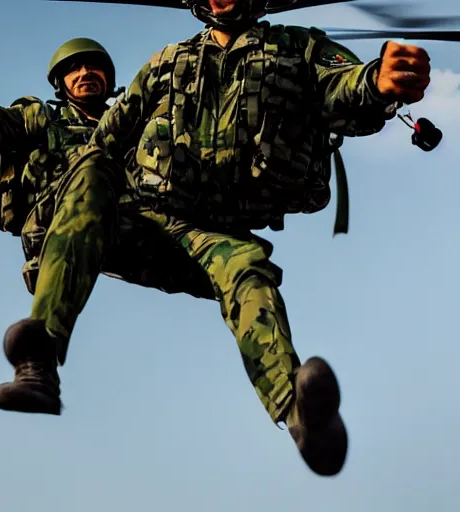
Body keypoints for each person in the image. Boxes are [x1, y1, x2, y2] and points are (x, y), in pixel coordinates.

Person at [45, 0, 432, 476]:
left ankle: (302, 417)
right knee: (91, 171)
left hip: (217, 233)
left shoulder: (297, 47)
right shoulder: (166, 62)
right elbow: (104, 143)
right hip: (147, 223)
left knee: (250, 274)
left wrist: (378, 83)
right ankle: (40, 353)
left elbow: (342, 89)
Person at [0, 30, 209, 416]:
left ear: (111, 81)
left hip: (144, 233)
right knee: (93, 166)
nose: (84, 72)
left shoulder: (137, 127)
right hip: (67, 226)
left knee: (243, 266)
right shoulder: (40, 121)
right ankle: (38, 363)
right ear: (60, 84)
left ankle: (289, 396)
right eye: (73, 68)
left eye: (93, 66)